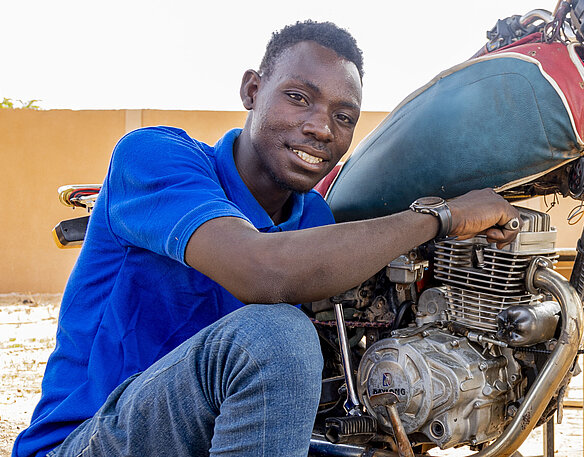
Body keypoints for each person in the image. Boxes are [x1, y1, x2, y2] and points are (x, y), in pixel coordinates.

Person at [13, 20, 519, 457]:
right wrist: (440, 217)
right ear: (252, 90)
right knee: (275, 334)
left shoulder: (314, 219)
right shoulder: (155, 156)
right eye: (299, 97)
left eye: (344, 117)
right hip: (87, 439)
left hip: (213, 438)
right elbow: (262, 271)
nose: (321, 127)